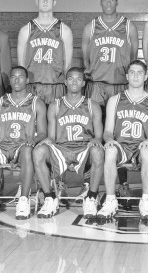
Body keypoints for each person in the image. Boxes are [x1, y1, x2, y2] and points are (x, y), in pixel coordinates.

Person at [0, 66, 47, 220]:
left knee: (28, 150)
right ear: (9, 80)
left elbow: (43, 133)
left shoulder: (36, 103)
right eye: (13, 77)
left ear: (27, 80)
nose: (16, 80)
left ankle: (24, 200)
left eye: (21, 77)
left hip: (23, 147)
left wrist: (33, 140)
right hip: (3, 147)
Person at [32, 68, 104, 219]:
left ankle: (91, 197)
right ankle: (50, 198)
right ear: (65, 82)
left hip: (84, 148)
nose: (74, 82)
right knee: (38, 152)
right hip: (61, 148)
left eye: (78, 79)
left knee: (98, 151)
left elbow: (98, 137)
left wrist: (95, 141)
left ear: (84, 83)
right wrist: (45, 141)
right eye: (71, 79)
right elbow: (52, 137)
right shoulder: (55, 105)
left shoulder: (92, 105)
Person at [96, 60, 148, 220]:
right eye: (132, 72)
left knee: (147, 152)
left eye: (140, 73)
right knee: (110, 150)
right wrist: (109, 139)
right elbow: (107, 131)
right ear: (126, 76)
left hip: (141, 147)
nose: (136, 76)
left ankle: (146, 200)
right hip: (121, 147)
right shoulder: (115, 100)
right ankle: (111, 199)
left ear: (146, 76)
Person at [82, 0, 139, 108]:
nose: (108, 4)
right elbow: (85, 57)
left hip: (120, 83)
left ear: (117, 2)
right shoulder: (90, 27)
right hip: (96, 85)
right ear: (100, 2)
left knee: (118, 122)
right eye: (105, 0)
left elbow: (134, 57)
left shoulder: (129, 26)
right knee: (95, 121)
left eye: (112, 0)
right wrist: (91, 72)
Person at [17, 0, 73, 105]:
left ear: (54, 2)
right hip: (32, 86)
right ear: (37, 2)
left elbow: (67, 66)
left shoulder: (64, 30)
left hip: (56, 86)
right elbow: (21, 66)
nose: (45, 2)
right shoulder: (25, 30)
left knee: (56, 122)